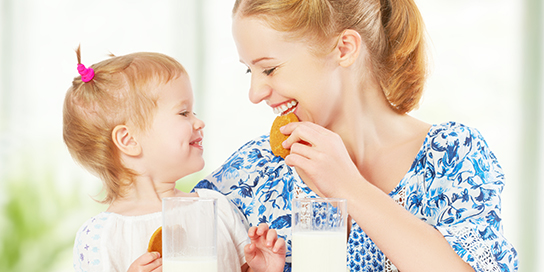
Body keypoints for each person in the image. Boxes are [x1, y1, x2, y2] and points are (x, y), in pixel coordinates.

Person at [193, 0, 519, 271]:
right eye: (249, 71)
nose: (255, 93)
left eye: (270, 68)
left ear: (345, 49)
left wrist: (349, 187)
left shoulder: (452, 156)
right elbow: (168, 232)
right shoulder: (257, 170)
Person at [64, 46, 286, 272]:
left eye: (194, 112)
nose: (199, 123)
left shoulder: (216, 208)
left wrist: (263, 269)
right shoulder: (100, 236)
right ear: (128, 139)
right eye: (183, 113)